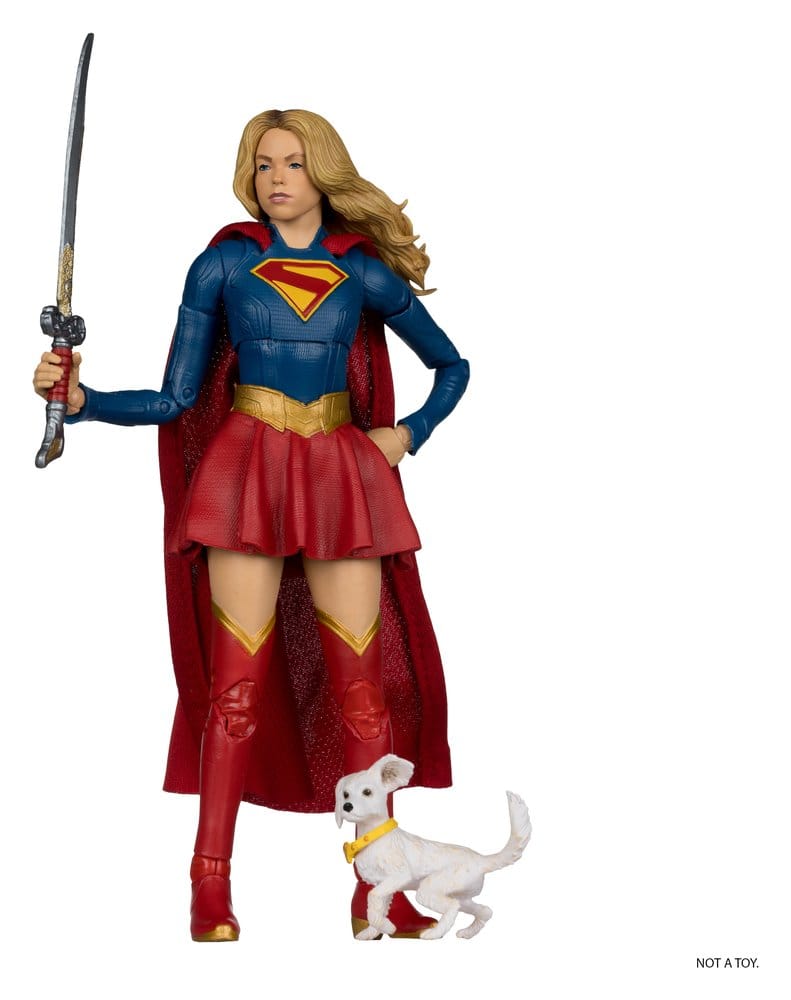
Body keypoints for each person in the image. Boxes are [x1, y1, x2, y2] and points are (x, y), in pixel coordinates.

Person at [33, 109, 469, 941]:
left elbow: (452, 364)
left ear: (323, 172)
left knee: (364, 697)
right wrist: (82, 400)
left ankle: (375, 885)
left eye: (294, 163)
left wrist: (406, 433)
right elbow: (175, 397)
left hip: (338, 473)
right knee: (234, 693)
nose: (276, 178)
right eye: (264, 163)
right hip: (245, 473)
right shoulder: (224, 262)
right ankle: (210, 880)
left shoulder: (360, 268)